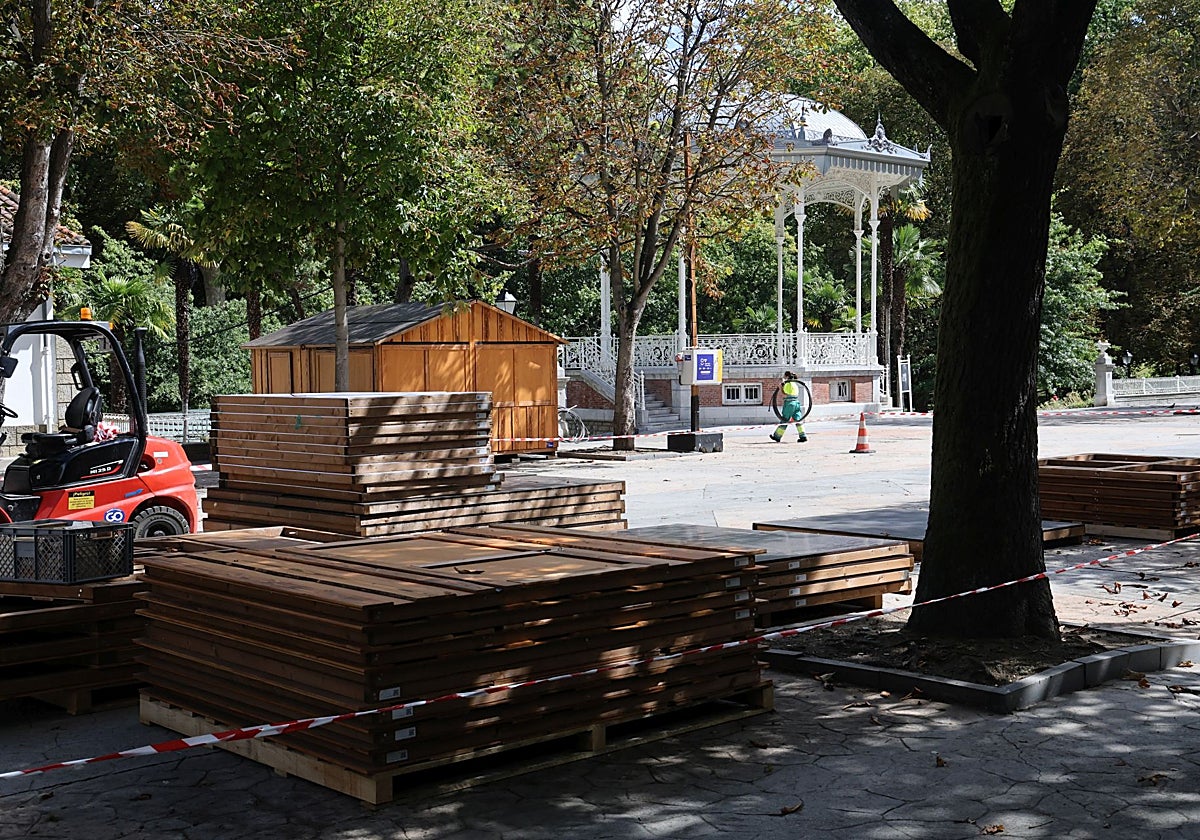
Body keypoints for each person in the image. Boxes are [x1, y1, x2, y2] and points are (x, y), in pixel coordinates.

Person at [770, 371, 808, 443]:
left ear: (787, 376)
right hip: (796, 403)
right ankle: (803, 436)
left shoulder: (788, 384)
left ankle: (777, 436)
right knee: (798, 420)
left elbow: (785, 394)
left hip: (789, 404)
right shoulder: (794, 384)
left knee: (785, 420)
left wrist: (781, 388)